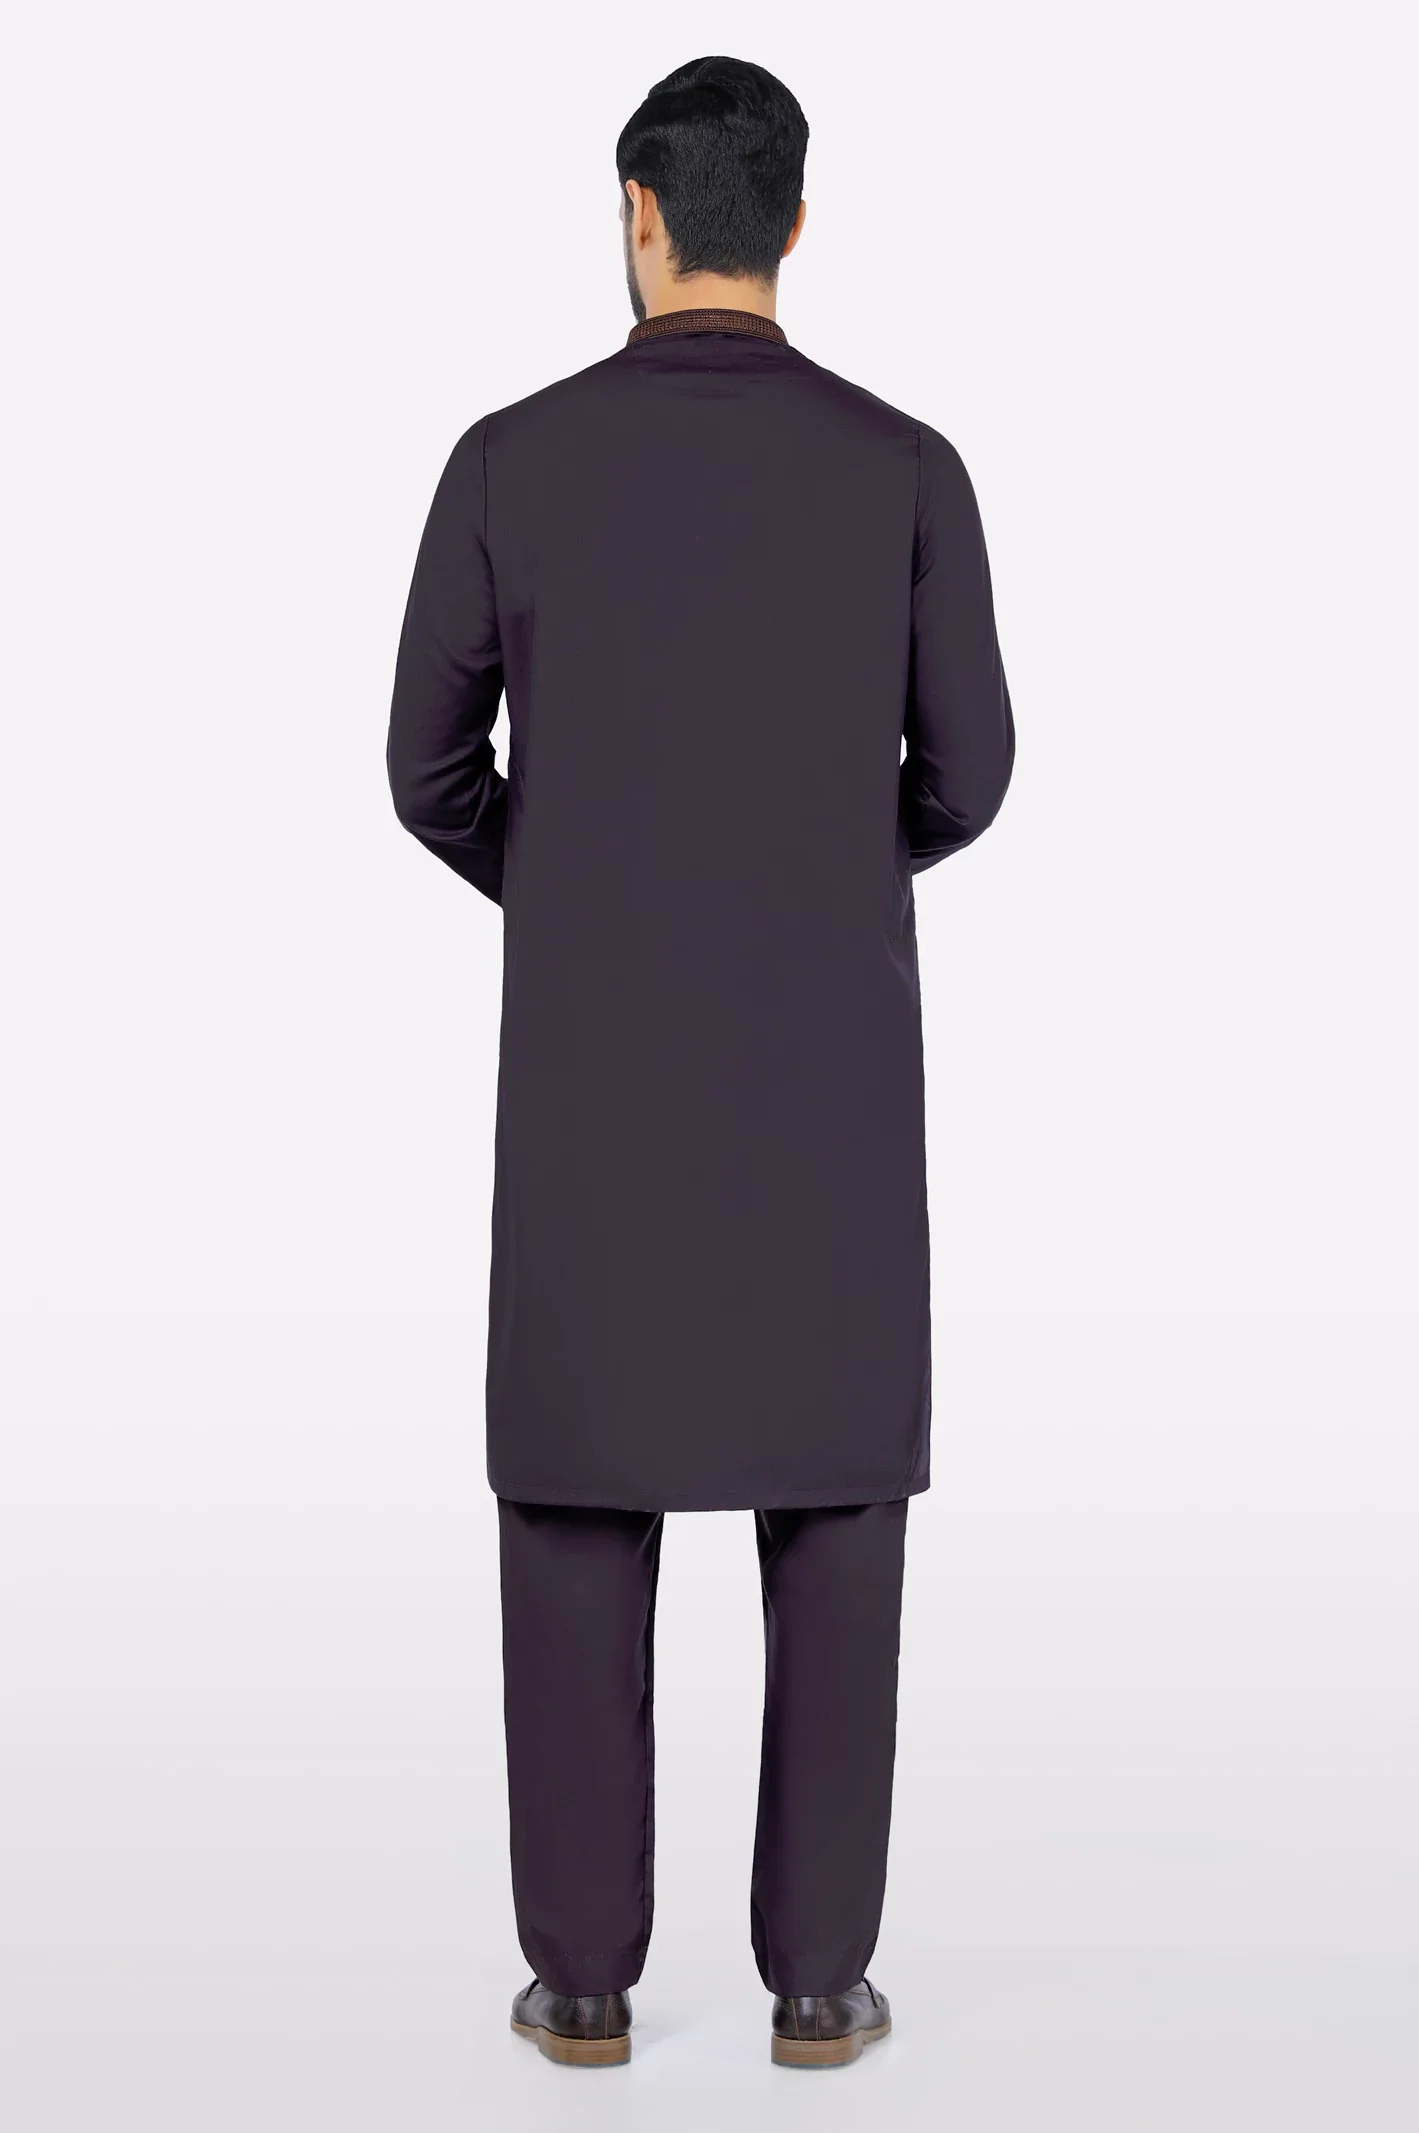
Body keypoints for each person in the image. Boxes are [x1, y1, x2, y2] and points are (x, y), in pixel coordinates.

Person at [386, 55, 1014, 2071]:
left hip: (595, 1091)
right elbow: (970, 773)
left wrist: (576, 882)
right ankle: (819, 1985)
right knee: (835, 1512)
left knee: (579, 1502)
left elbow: (426, 768)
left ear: (638, 217)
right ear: (795, 226)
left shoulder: (509, 462)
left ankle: (581, 1983)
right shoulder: (905, 470)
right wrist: (821, 867)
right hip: (827, 1091)